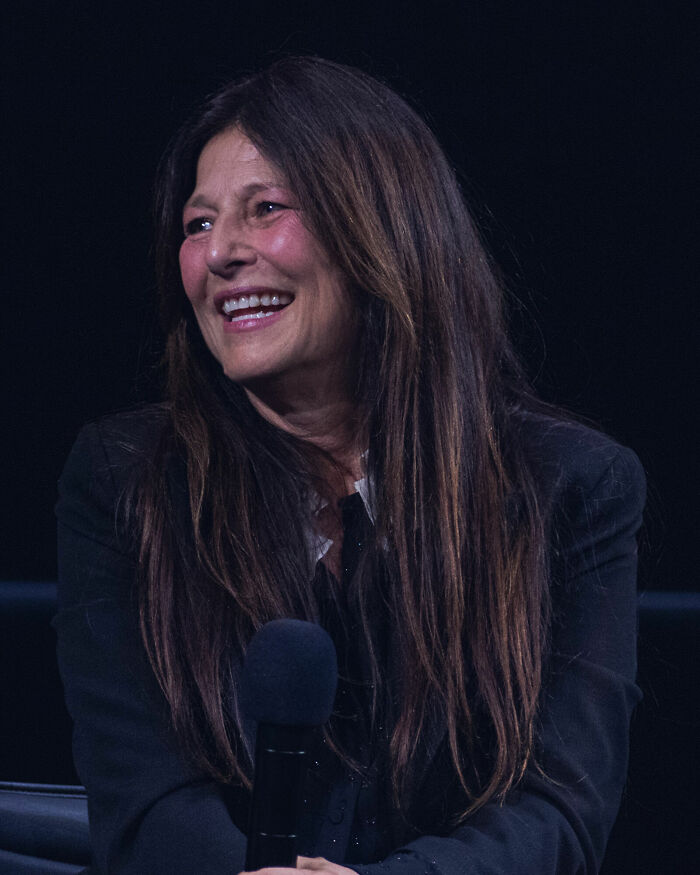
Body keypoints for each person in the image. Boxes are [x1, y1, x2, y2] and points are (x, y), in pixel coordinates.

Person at [55, 56, 645, 875]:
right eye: (197, 223)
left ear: (381, 229)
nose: (221, 252)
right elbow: (144, 801)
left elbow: (560, 811)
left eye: (265, 210)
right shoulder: (126, 483)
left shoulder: (570, 487)